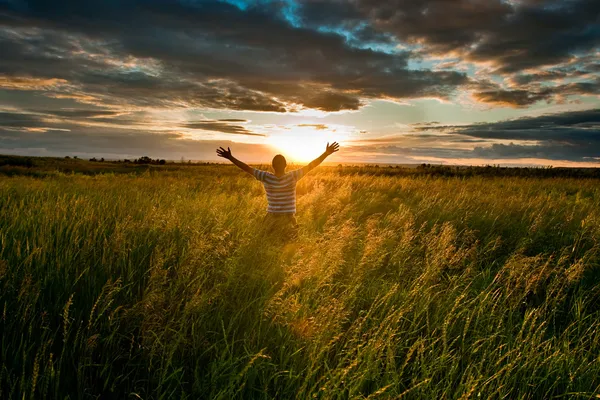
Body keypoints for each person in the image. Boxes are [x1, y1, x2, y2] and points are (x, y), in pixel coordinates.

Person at [216, 142, 340, 236]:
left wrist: (231, 158)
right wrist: (326, 154)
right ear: (286, 165)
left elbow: (247, 168)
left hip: (271, 219)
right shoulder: (293, 176)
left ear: (272, 166)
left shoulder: (265, 176)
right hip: (289, 219)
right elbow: (311, 166)